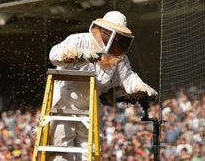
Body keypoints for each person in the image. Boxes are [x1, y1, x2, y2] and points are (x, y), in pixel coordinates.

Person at [48, 10, 157, 161]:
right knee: (61, 154)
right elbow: (53, 55)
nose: (118, 41)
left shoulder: (118, 58)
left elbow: (128, 77)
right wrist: (76, 54)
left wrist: (140, 86)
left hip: (91, 109)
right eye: (116, 36)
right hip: (63, 106)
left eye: (121, 38)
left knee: (90, 155)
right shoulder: (78, 40)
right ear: (105, 31)